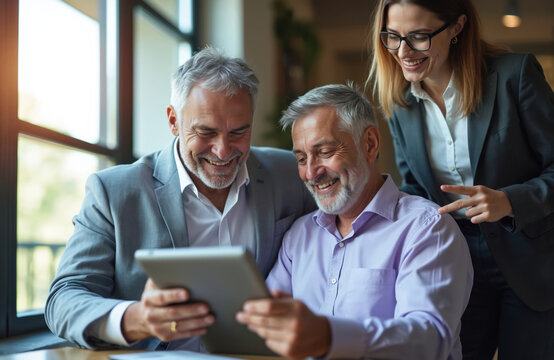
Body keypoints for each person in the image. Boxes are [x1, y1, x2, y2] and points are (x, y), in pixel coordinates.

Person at [45, 47, 315, 351]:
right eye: (206, 132)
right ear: (173, 121)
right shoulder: (113, 191)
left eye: (238, 132)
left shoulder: (290, 174)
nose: (223, 150)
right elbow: (64, 299)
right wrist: (139, 319)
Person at [367, 0, 554, 359]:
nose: (403, 52)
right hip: (454, 258)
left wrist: (509, 200)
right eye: (392, 37)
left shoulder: (515, 75)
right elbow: (416, 191)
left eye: (419, 37)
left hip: (529, 260)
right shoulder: (401, 102)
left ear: (457, 27)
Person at [236, 84, 473, 359]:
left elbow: (429, 340)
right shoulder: (299, 236)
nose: (311, 173)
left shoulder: (427, 229)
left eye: (324, 152)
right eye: (301, 158)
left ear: (370, 144)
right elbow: (261, 327)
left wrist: (329, 337)